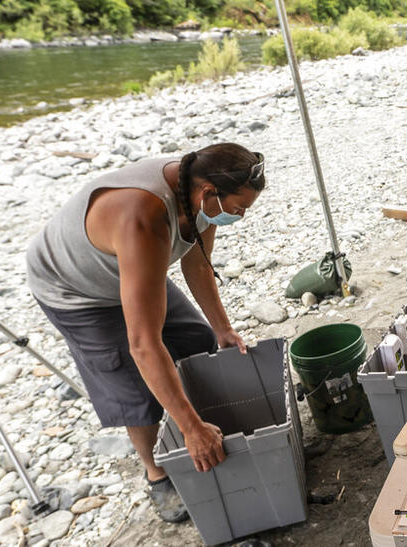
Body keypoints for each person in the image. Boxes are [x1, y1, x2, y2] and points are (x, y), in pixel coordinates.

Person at [26, 143, 266, 522]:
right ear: (209, 193)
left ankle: (194, 422)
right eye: (239, 208)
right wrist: (191, 429)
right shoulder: (145, 217)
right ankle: (157, 472)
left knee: (196, 340)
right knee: (133, 386)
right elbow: (142, 344)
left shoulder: (200, 196)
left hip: (129, 267)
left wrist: (223, 328)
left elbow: (199, 266)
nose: (240, 216)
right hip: (75, 289)